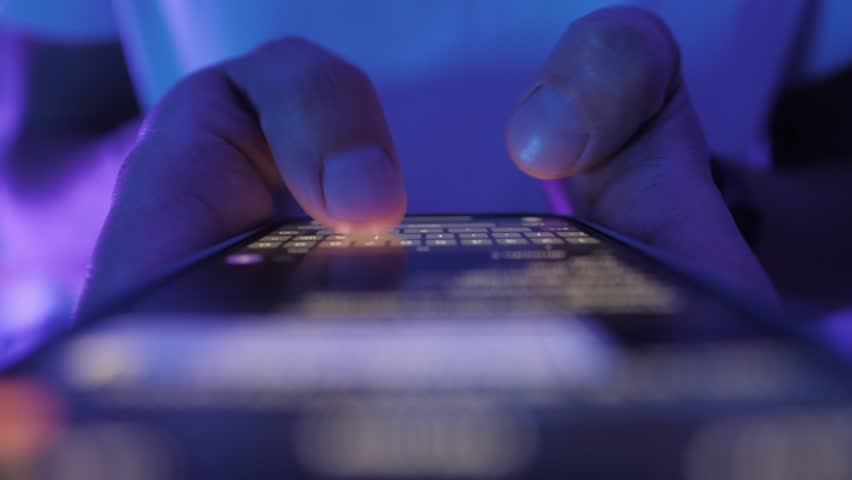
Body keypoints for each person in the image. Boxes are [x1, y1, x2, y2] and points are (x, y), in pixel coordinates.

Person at [4, 1, 850, 317]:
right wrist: (185, 201)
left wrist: (696, 223)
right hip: (235, 383)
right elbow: (27, 195)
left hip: (664, 396)